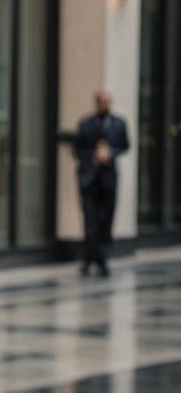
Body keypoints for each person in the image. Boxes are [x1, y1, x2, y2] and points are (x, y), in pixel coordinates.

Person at [74, 90, 129, 276]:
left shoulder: (119, 124)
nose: (103, 105)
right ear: (96, 103)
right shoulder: (85, 124)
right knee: (90, 221)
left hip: (108, 179)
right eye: (100, 102)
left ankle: (102, 259)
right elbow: (78, 150)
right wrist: (94, 156)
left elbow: (124, 145)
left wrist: (110, 153)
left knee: (105, 219)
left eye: (107, 102)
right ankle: (89, 258)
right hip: (89, 179)